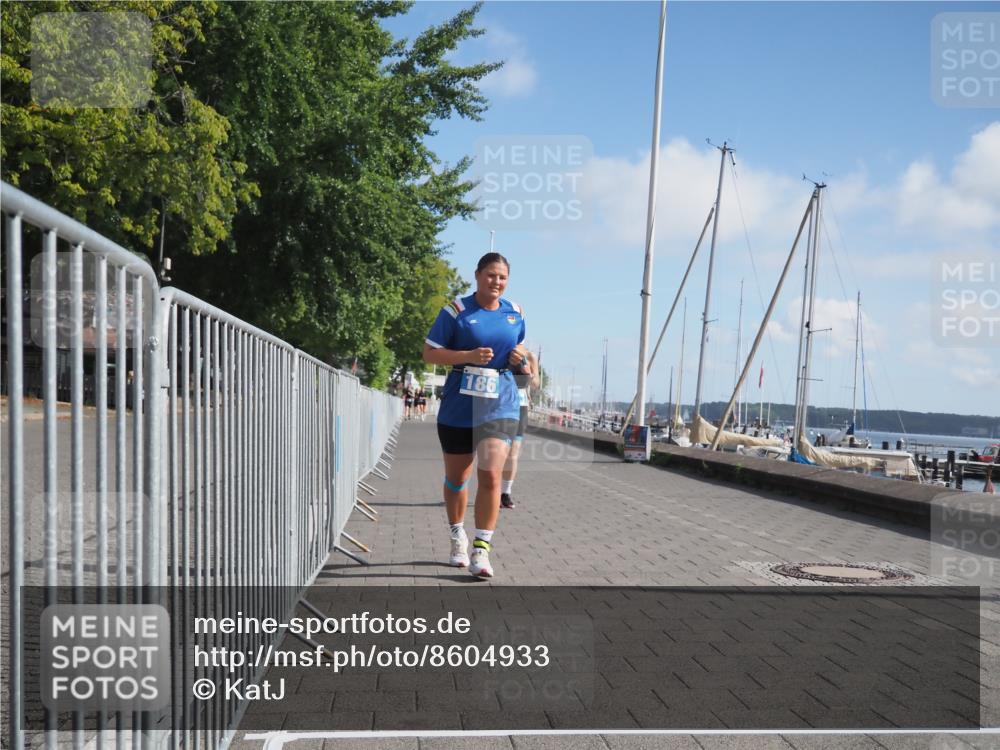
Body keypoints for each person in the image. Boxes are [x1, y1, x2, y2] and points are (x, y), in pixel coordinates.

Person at [422, 252, 529, 578]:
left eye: (502, 277)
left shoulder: (515, 313)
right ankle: (457, 536)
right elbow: (429, 352)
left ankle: (482, 550)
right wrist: (467, 355)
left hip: (501, 402)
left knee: (492, 474)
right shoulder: (456, 311)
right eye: (491, 275)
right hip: (459, 405)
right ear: (478, 275)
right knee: (457, 479)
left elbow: (520, 347)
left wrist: (518, 359)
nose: (496, 282)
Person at [500, 349, 540, 509]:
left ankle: (505, 493)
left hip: (520, 406)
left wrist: (528, 372)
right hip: (500, 403)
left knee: (512, 453)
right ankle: (492, 489)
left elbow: (536, 384)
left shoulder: (530, 356)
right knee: (495, 451)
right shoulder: (500, 350)